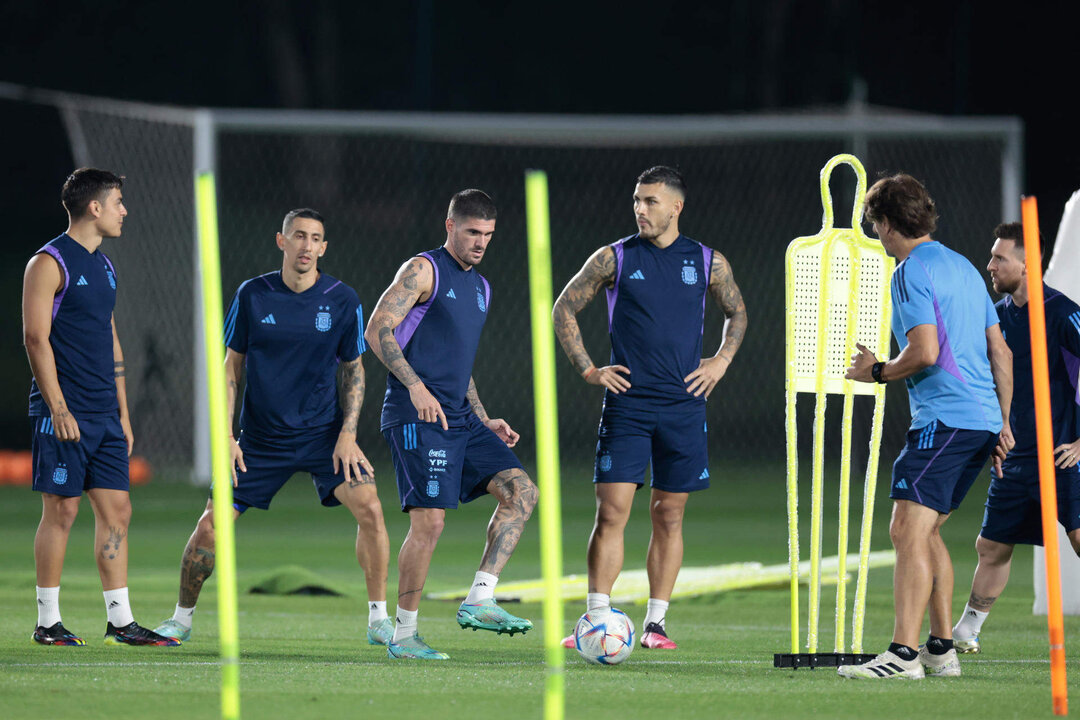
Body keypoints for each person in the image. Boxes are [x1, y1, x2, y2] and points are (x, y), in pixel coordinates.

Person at [153, 209, 391, 645]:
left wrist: (348, 433)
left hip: (324, 438)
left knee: (371, 509)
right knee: (209, 527)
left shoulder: (343, 299)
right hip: (260, 441)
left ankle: (379, 621)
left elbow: (354, 370)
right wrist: (225, 438)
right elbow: (231, 370)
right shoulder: (252, 295)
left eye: (315, 238)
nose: (306, 245)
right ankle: (180, 620)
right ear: (281, 241)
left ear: (323, 247)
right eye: (298, 236)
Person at [551, 166, 747, 650]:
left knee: (669, 515)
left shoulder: (706, 262)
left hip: (684, 406)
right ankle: (596, 619)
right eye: (637, 200)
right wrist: (589, 370)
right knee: (612, 511)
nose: (641, 209)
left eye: (651, 201)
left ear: (676, 207)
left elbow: (737, 311)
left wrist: (720, 361)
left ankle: (656, 624)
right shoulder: (613, 258)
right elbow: (563, 308)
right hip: (627, 405)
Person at [840, 174, 1013, 679]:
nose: (877, 235)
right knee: (929, 531)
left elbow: (925, 351)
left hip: (947, 421)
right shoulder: (963, 267)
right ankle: (941, 650)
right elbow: (999, 351)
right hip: (978, 422)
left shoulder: (909, 270)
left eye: (876, 225)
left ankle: (902, 654)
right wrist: (1003, 424)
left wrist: (876, 371)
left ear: (889, 224)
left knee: (906, 529)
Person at [364, 189, 538, 660]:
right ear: (450, 226)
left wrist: (484, 418)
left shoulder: (481, 288)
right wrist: (416, 387)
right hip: (415, 415)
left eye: (488, 234)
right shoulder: (423, 270)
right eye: (472, 232)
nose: (480, 242)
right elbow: (377, 329)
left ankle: (480, 598)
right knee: (430, 523)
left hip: (461, 417)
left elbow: (460, 363)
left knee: (521, 492)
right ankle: (403, 634)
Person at [23, 168, 178, 646]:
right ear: (95, 207)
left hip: (105, 417)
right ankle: (48, 622)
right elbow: (35, 338)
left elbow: (110, 339)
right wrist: (59, 408)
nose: (124, 210)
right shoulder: (48, 262)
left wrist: (124, 414)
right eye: (118, 202)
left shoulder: (105, 265)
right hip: (63, 414)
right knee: (62, 511)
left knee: (118, 511)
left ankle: (120, 621)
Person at [950, 223, 1080, 653]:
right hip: (1014, 455)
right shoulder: (997, 315)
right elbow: (985, 379)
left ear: (1028, 264)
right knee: (991, 545)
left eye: (999, 258)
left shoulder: (1061, 313)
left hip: (1060, 455)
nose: (989, 265)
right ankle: (966, 631)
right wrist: (994, 432)